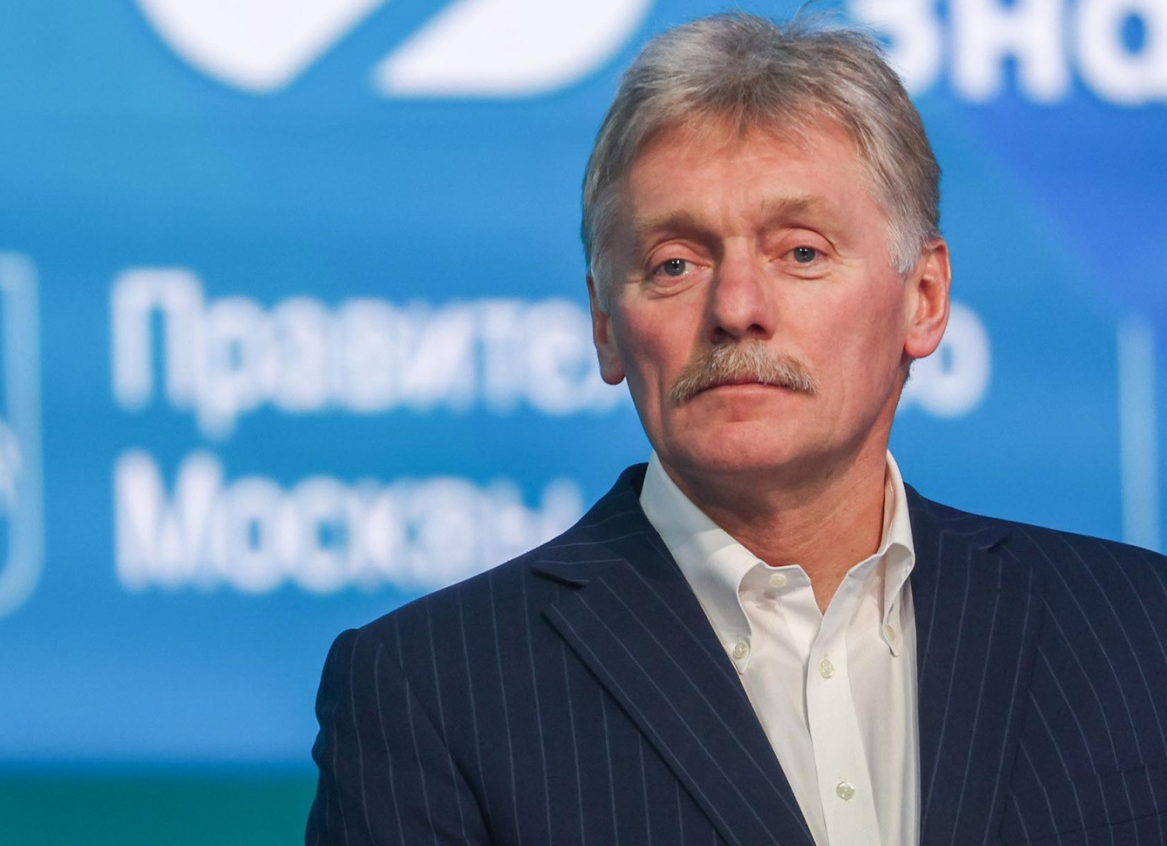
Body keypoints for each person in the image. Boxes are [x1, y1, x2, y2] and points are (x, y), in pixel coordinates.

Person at [306, 12, 1167, 845]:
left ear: (924, 299)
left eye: (801, 252)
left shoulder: (1138, 628)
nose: (738, 309)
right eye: (675, 264)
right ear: (606, 326)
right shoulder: (431, 692)